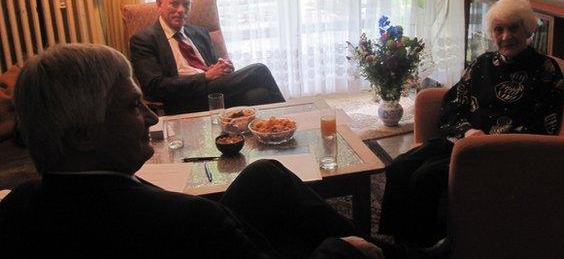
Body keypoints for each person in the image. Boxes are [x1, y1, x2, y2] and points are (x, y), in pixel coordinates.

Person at [0, 43, 400, 259]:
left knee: (264, 175)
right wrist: (338, 251)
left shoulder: (17, 207)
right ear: (82, 136)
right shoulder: (188, 221)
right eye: (131, 107)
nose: (152, 120)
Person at [379, 0, 564, 248]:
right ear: (492, 33)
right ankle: (396, 240)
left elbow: (544, 126)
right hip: (463, 139)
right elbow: (454, 103)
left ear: (528, 29)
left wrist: (489, 142)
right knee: (399, 167)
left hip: (497, 152)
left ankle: (425, 246)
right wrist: (467, 131)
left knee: (425, 177)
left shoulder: (545, 70)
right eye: (499, 29)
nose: (506, 36)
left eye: (514, 28)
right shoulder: (484, 63)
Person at [130, 0, 285, 114]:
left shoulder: (200, 33)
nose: (181, 10)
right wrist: (204, 77)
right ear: (159, 4)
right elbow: (154, 87)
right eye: (174, 3)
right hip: (184, 99)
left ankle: (277, 134)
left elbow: (212, 67)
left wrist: (224, 68)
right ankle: (291, 120)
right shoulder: (144, 40)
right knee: (259, 70)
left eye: (186, 4)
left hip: (215, 92)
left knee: (259, 95)